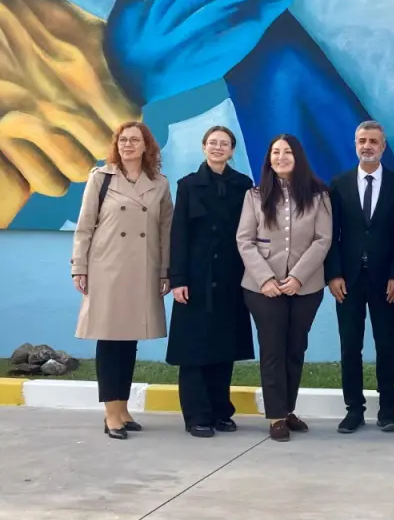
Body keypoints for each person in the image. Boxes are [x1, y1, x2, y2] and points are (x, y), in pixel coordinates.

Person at [70, 120, 173, 440]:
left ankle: (123, 409)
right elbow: (84, 226)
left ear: (146, 146)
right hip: (108, 269)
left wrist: (165, 270)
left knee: (129, 342)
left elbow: (165, 231)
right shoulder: (100, 178)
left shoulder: (159, 183)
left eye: (134, 140)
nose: (128, 145)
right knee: (110, 340)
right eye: (123, 140)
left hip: (143, 269)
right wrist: (79, 266)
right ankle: (111, 415)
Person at [237, 134, 333, 442]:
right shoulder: (255, 195)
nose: (281, 157)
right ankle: (276, 415)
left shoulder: (318, 196)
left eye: (287, 152)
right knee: (272, 349)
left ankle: (288, 408)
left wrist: (298, 277)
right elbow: (244, 241)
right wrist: (266, 279)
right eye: (275, 152)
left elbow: (323, 240)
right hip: (262, 288)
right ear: (268, 158)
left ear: (298, 156)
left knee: (295, 348)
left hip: (305, 287)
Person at [165, 125, 255, 438]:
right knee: (194, 351)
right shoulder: (188, 185)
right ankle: (196, 416)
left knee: (223, 348)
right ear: (204, 147)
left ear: (232, 150)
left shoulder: (243, 185)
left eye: (224, 144)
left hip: (230, 278)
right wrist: (178, 279)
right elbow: (179, 235)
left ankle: (220, 412)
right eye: (213, 143)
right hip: (195, 278)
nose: (218, 148)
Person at [326, 121, 394, 433]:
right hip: (347, 281)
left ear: (383, 146)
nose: (367, 146)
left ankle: (388, 409)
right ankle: (354, 409)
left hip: (386, 281)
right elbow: (330, 234)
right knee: (350, 346)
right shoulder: (339, 184)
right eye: (362, 140)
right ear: (355, 145)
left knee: (386, 345)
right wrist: (333, 274)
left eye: (373, 141)